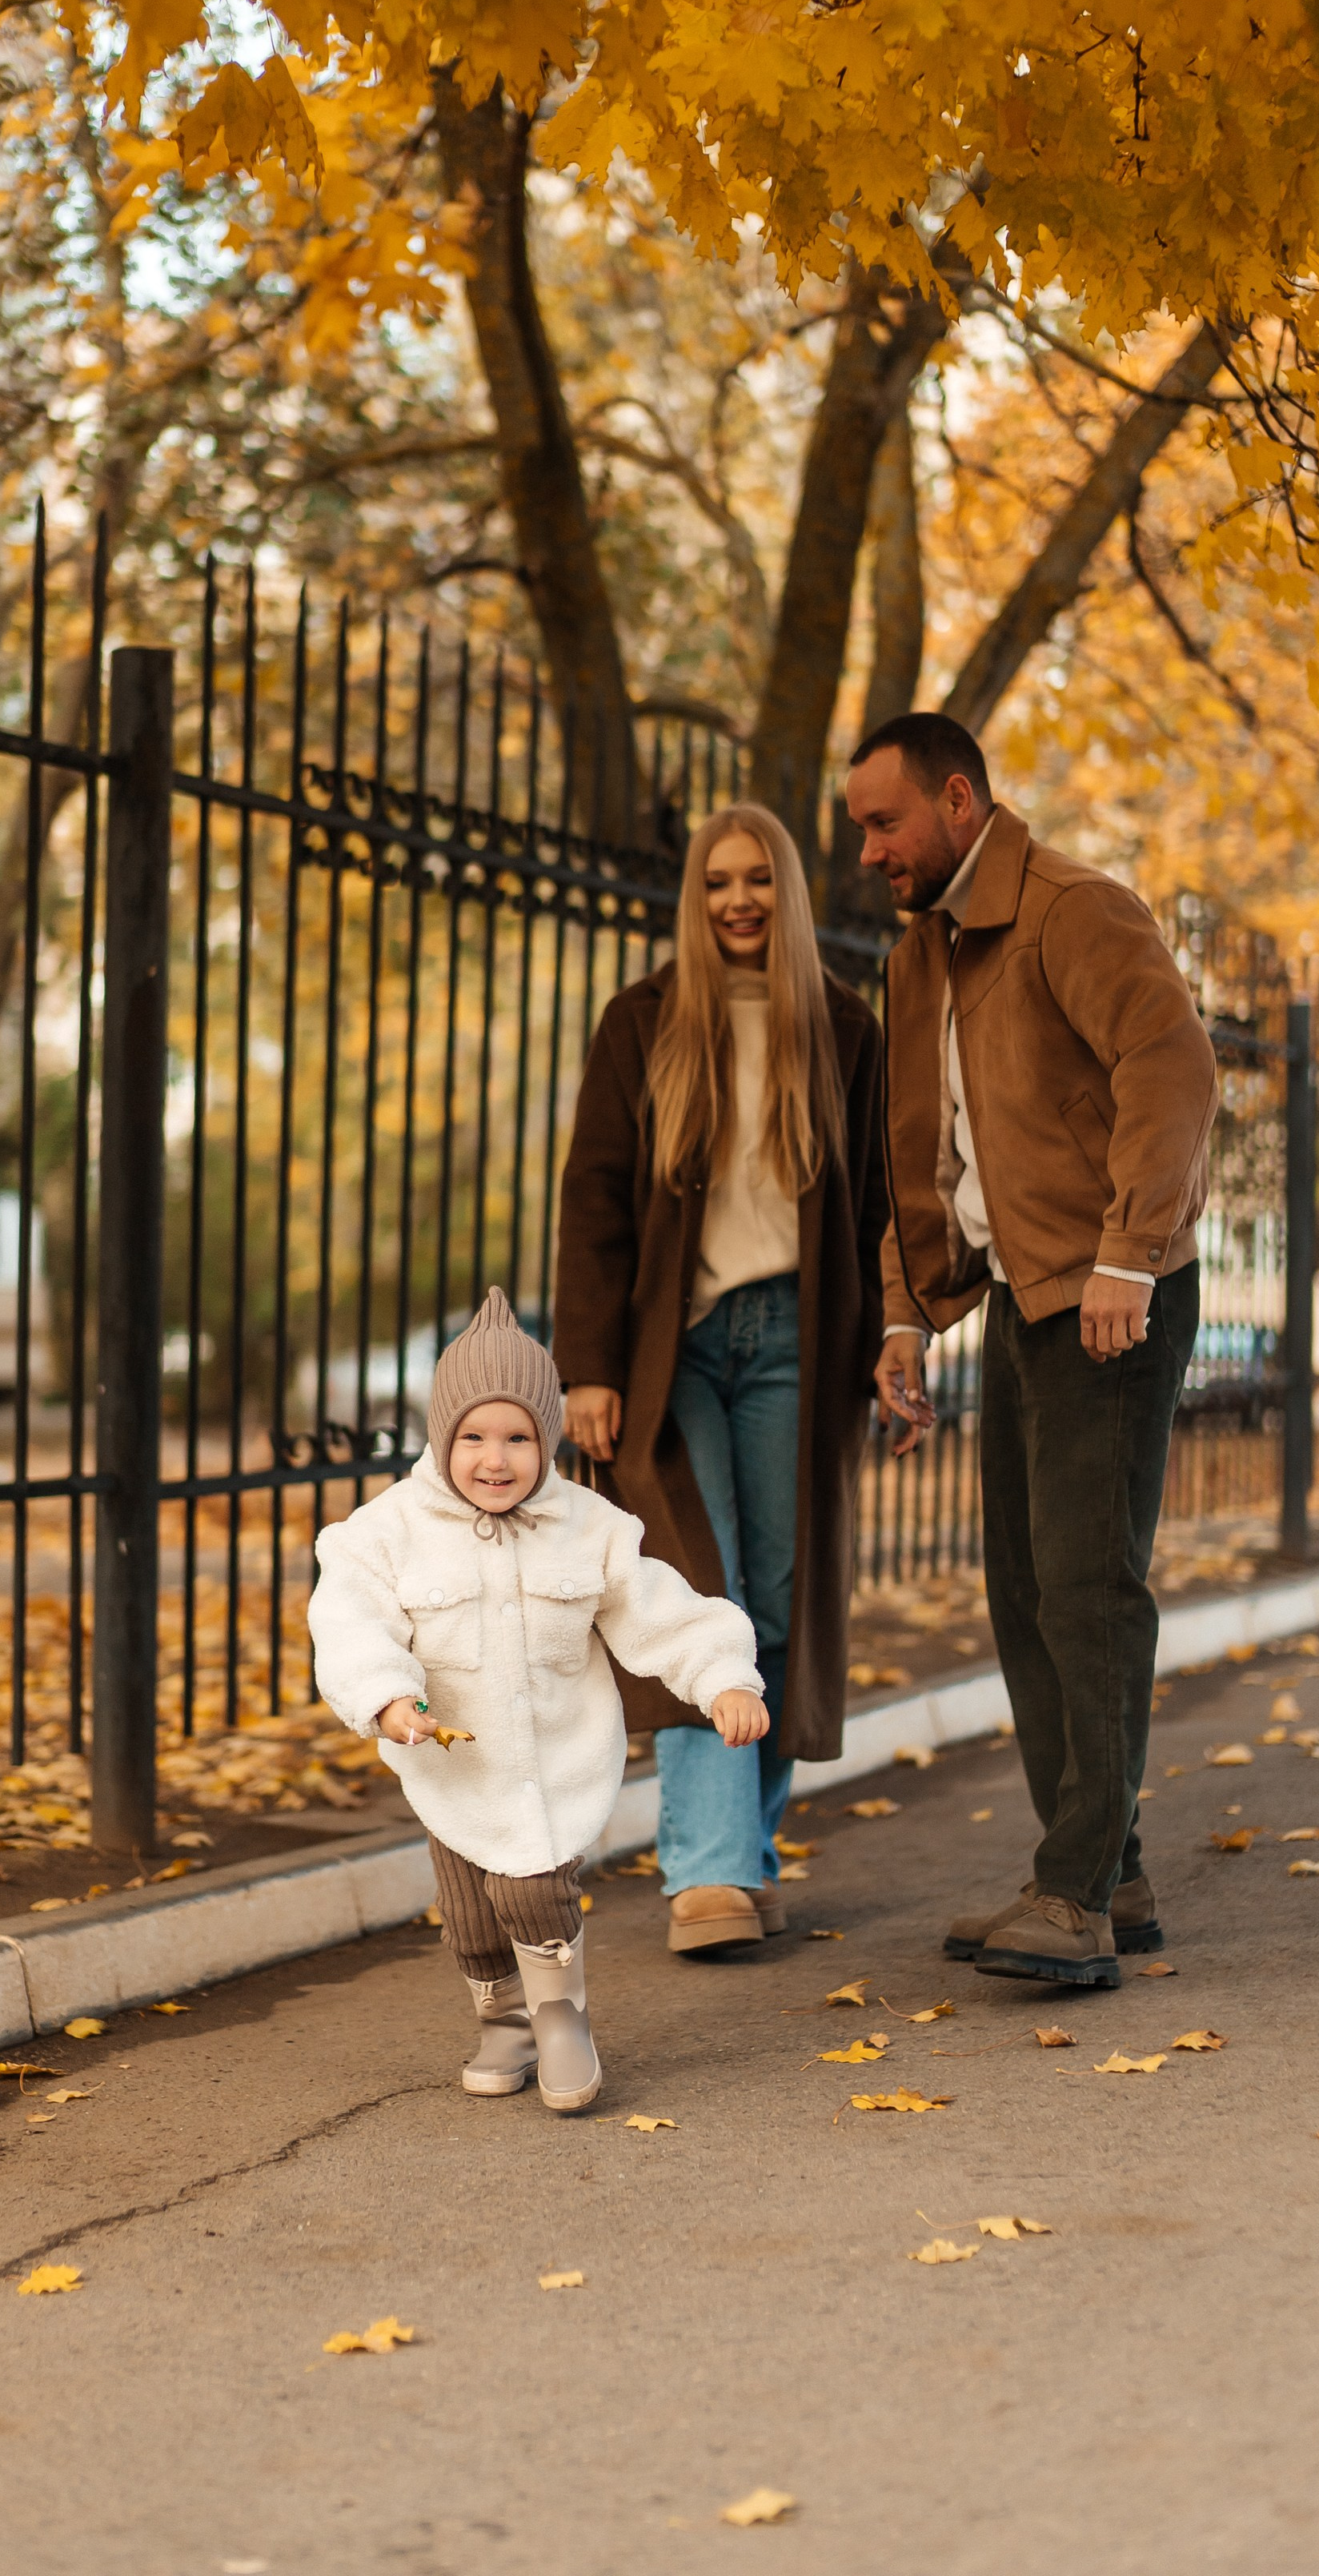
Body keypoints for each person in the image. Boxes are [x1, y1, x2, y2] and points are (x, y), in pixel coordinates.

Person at [846, 714, 1218, 1989]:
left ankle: (1072, 1894)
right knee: (1023, 1592)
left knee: (1087, 1587)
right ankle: (1110, 1872)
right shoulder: (923, 961)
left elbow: (1172, 1074)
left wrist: (1131, 1251)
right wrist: (905, 1310)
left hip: (1113, 1295)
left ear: (958, 803)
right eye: (859, 831)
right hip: (1018, 1296)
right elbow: (920, 1157)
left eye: (884, 824)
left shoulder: (1074, 911)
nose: (869, 853)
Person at [554, 803, 889, 1954]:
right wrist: (585, 1366)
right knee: (699, 1595)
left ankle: (742, 1856)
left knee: (782, 1605)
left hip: (801, 1342)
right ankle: (705, 1873)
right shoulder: (641, 1022)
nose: (737, 900)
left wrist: (899, 1342)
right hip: (674, 1352)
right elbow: (594, 1196)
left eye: (757, 881)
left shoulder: (843, 1029)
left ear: (786, 895)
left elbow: (885, 1210)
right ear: (695, 900)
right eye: (715, 883)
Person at [308, 1287, 767, 2113]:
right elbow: (350, 1619)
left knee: (532, 1890)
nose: (496, 1458)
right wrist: (385, 1698)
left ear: (547, 1439)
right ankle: (504, 2023)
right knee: (471, 1915)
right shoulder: (388, 1531)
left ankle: (560, 2020)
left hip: (555, 1758)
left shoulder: (588, 1526)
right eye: (474, 1437)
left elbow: (658, 1609)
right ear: (441, 1436)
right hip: (450, 1767)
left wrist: (722, 1674)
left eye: (518, 1437)